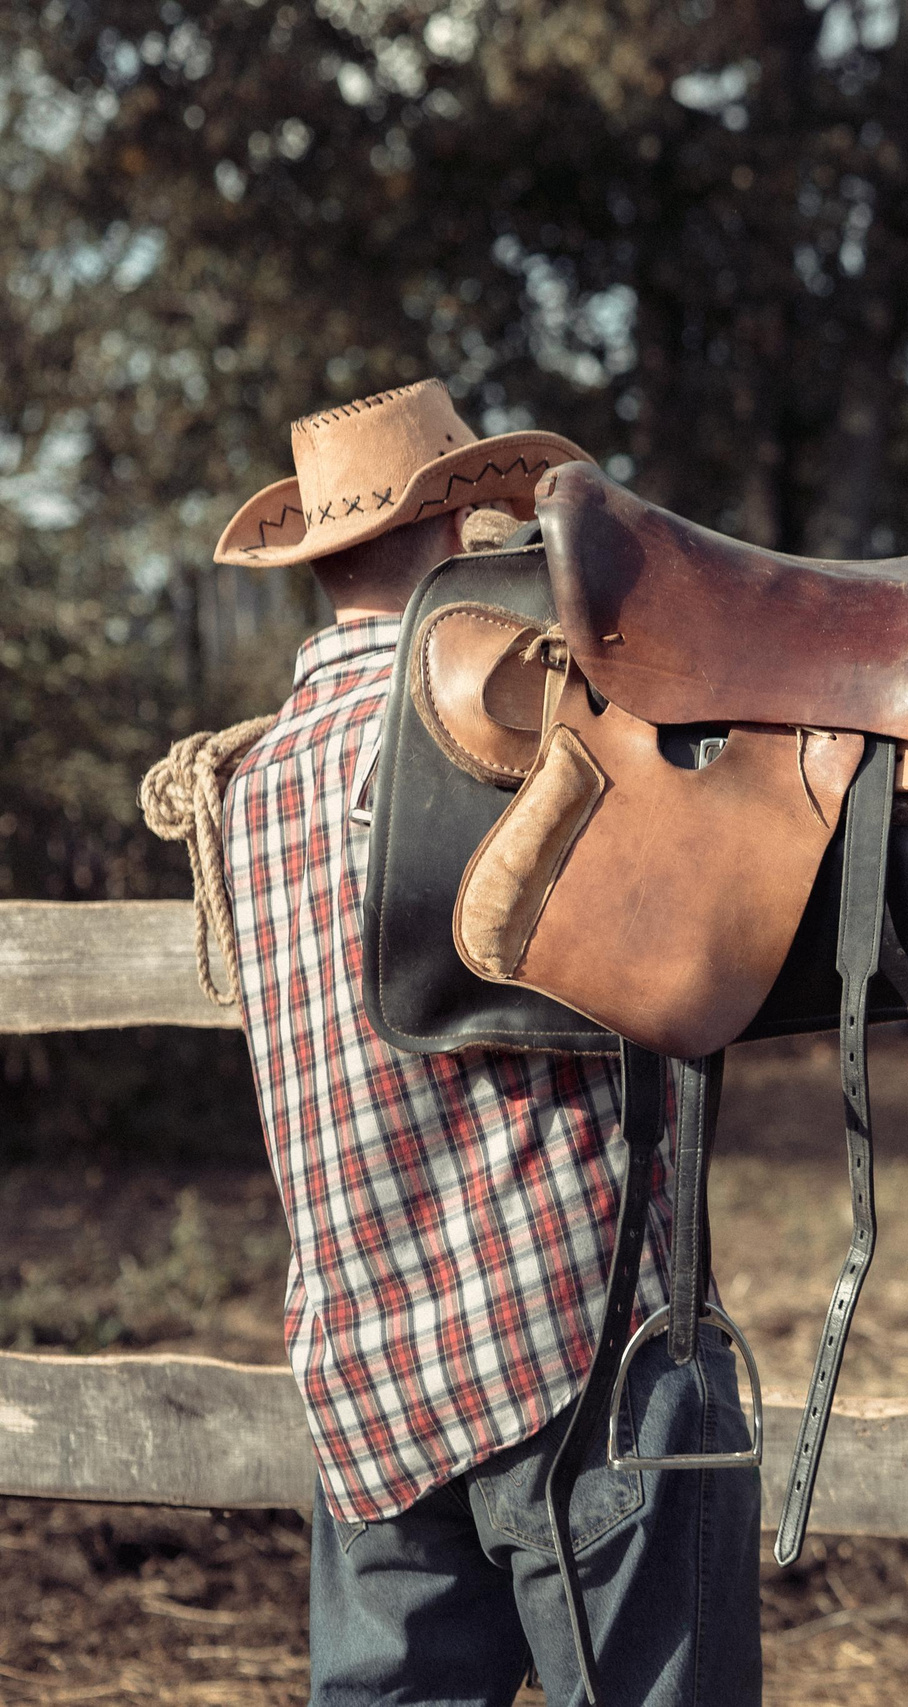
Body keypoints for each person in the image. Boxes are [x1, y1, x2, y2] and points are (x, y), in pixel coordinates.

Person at [165, 379, 761, 1705]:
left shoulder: (247, 783)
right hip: (570, 1333)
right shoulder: (523, 722)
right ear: (458, 536)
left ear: (321, 563)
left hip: (366, 1369)